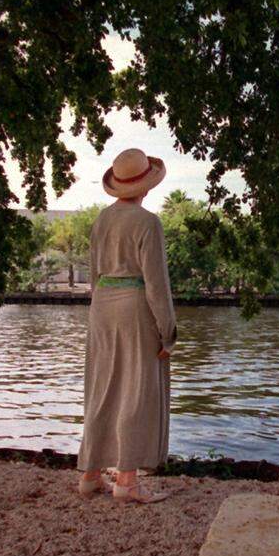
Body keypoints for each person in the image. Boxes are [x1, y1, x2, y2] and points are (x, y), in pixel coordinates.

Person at [76, 146, 178, 504]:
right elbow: (156, 284)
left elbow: (93, 275)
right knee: (135, 390)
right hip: (135, 307)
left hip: (102, 306)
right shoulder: (148, 222)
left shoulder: (101, 220)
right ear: (146, 186)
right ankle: (127, 481)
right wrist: (168, 332)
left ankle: (90, 475)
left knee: (102, 389)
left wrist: (100, 307)